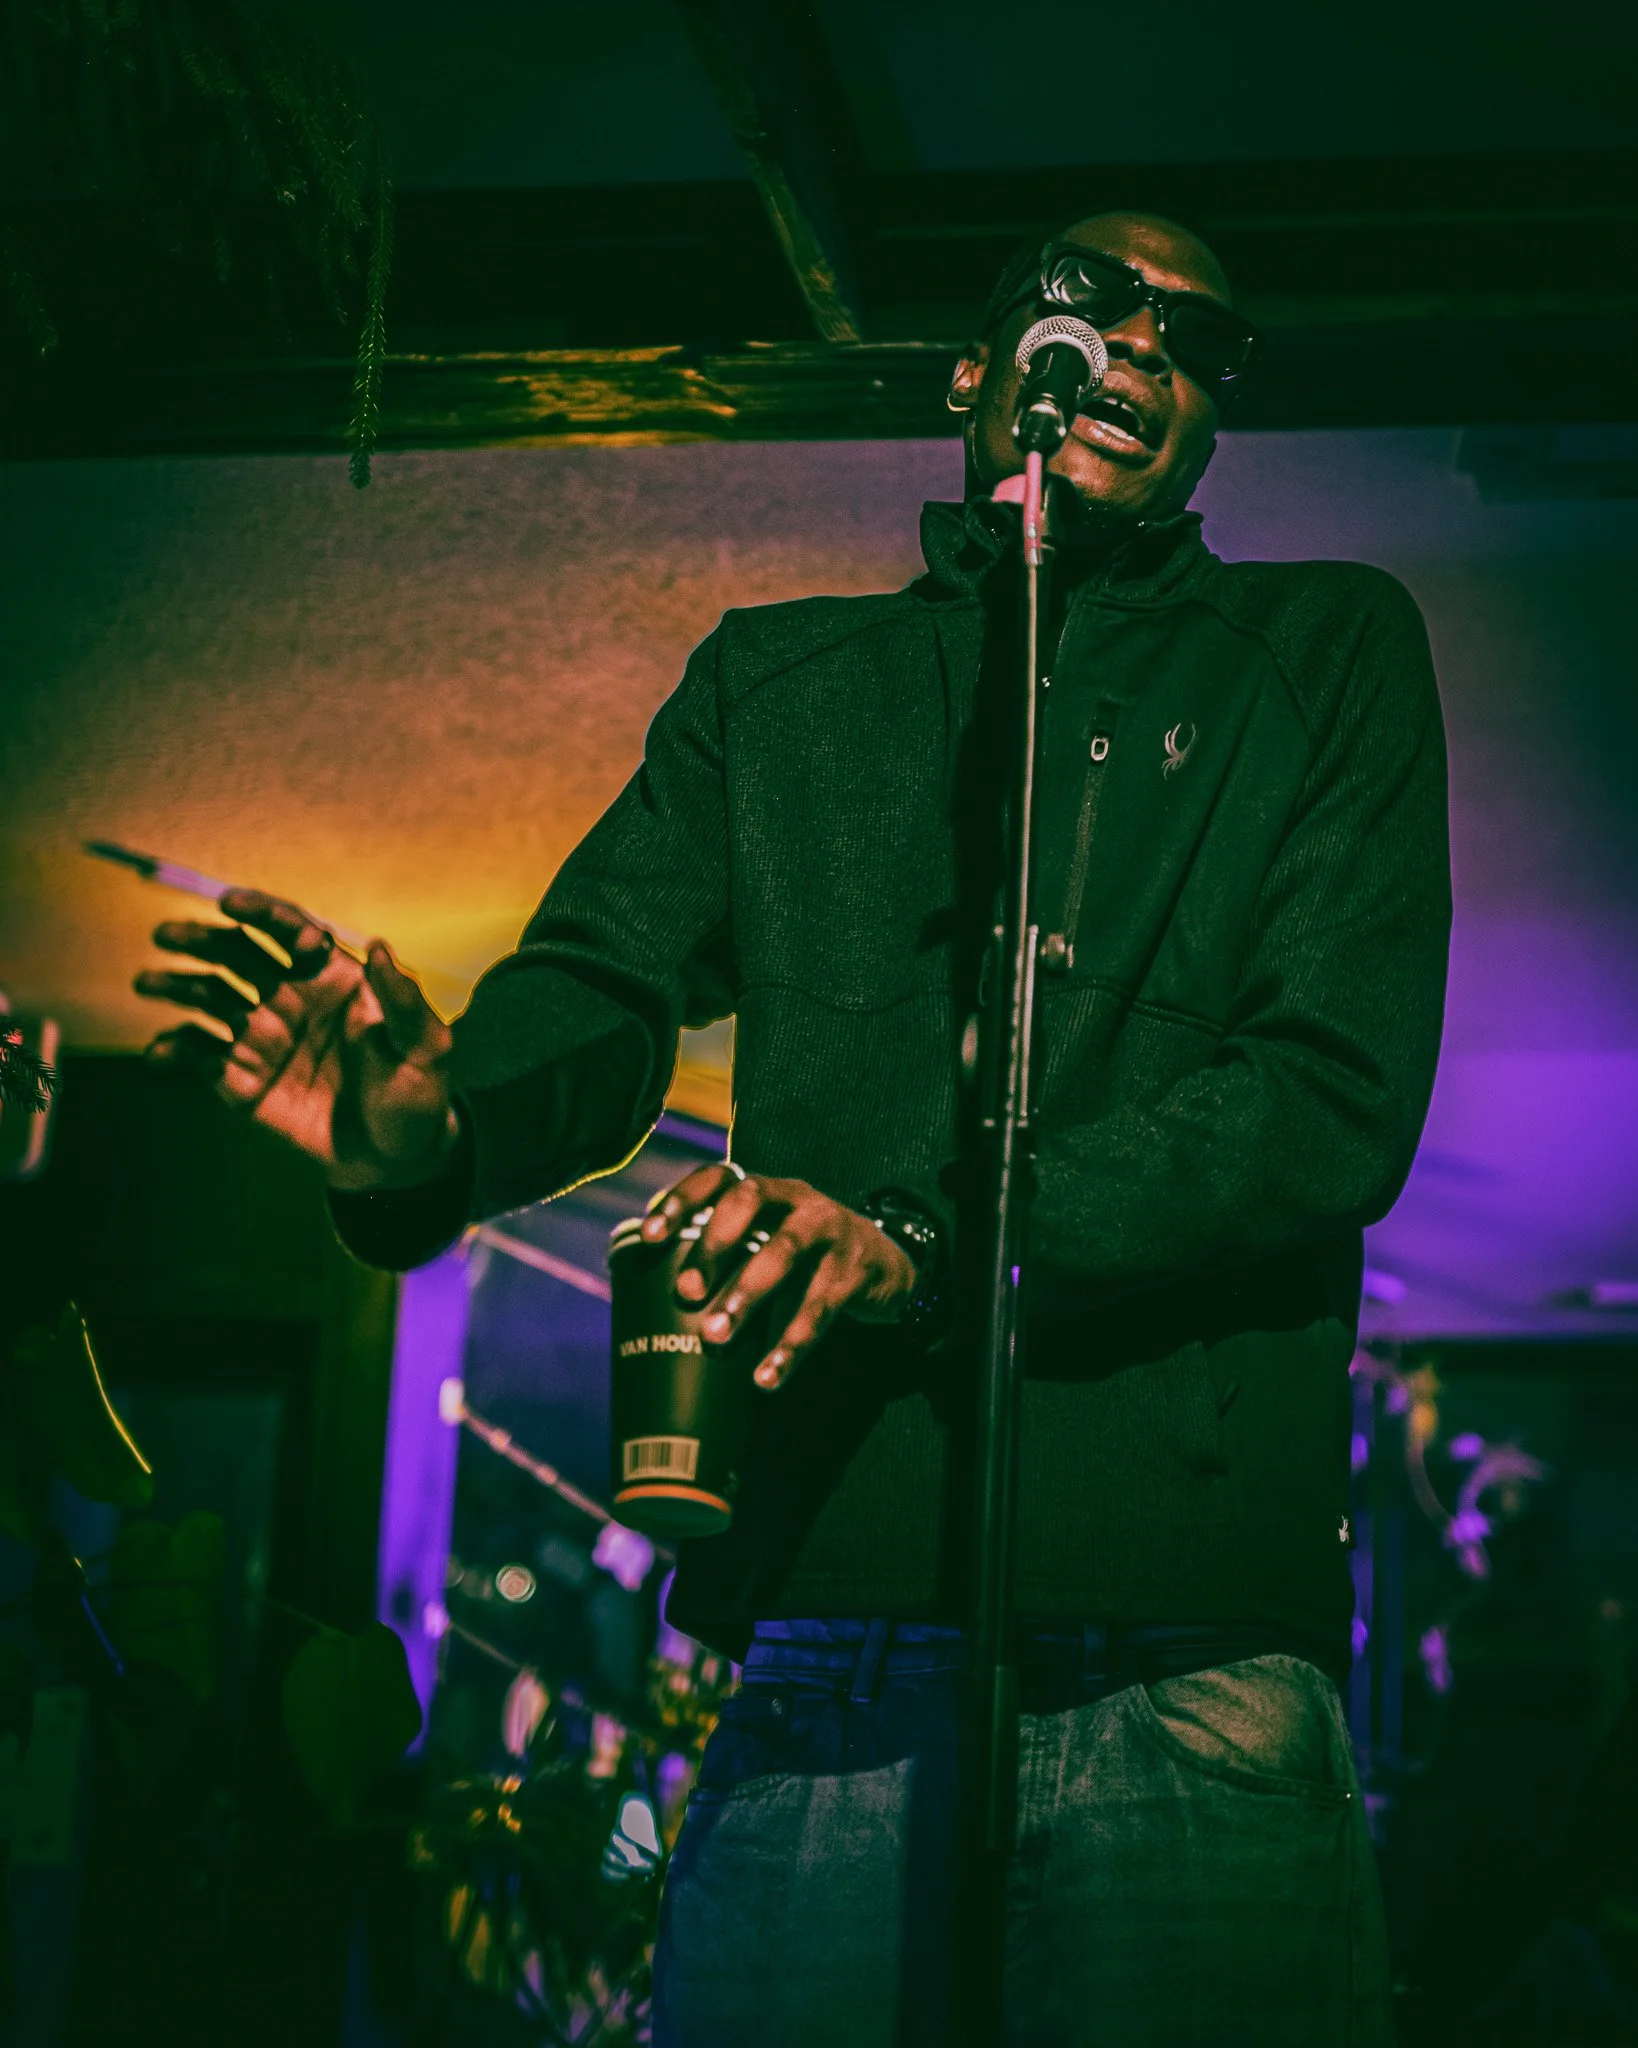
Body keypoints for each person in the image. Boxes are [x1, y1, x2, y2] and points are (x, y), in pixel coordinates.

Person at [137, 210, 1450, 2045]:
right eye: (1093, 308)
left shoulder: (1323, 653)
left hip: (1186, 1665)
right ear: (974, 372)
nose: (1144, 351)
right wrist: (428, 1135)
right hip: (830, 1636)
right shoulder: (779, 684)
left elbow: (1328, 1095)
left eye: (1198, 344)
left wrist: (916, 1240)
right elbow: (595, 990)